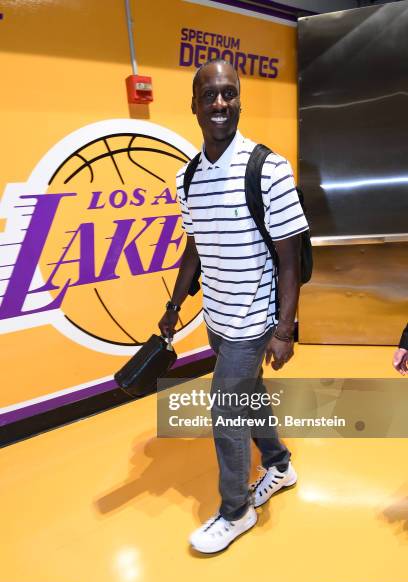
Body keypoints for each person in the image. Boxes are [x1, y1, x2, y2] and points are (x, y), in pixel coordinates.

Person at [158, 59, 308, 554]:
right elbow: (195, 248)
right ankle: (280, 465)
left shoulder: (269, 168)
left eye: (229, 94)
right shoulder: (187, 178)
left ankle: (236, 509)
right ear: (194, 106)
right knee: (249, 398)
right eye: (210, 95)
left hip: (254, 318)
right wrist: (176, 303)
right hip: (216, 319)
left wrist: (284, 330)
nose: (220, 103)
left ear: (239, 99)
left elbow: (289, 257)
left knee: (226, 409)